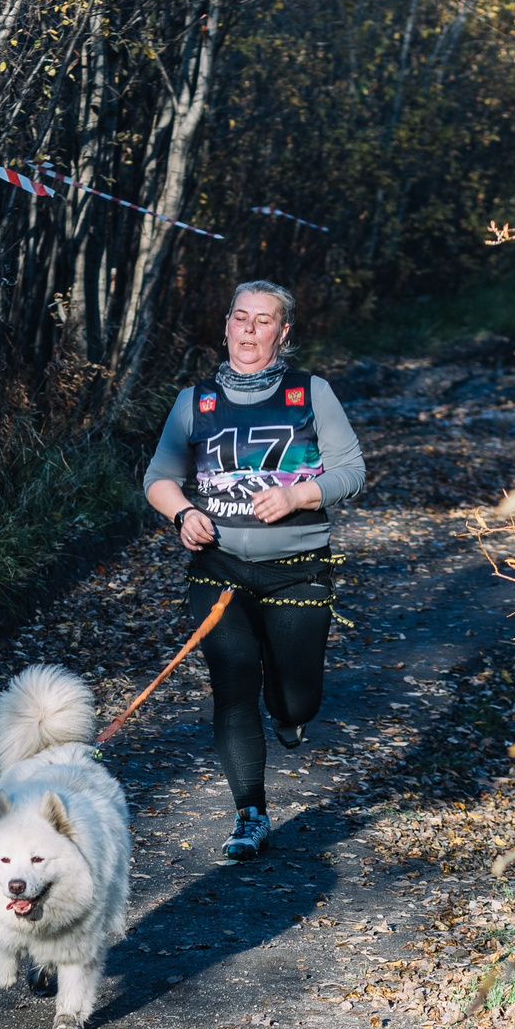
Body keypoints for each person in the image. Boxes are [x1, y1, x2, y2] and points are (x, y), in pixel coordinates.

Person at [141, 280, 365, 860]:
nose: (249, 329)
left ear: (282, 333)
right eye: (240, 317)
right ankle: (250, 813)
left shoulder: (310, 393)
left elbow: (351, 471)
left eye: (263, 321)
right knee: (232, 683)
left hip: (297, 569)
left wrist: (299, 496)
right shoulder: (196, 401)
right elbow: (158, 478)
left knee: (296, 703)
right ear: (226, 325)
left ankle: (288, 712)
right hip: (219, 569)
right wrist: (183, 513)